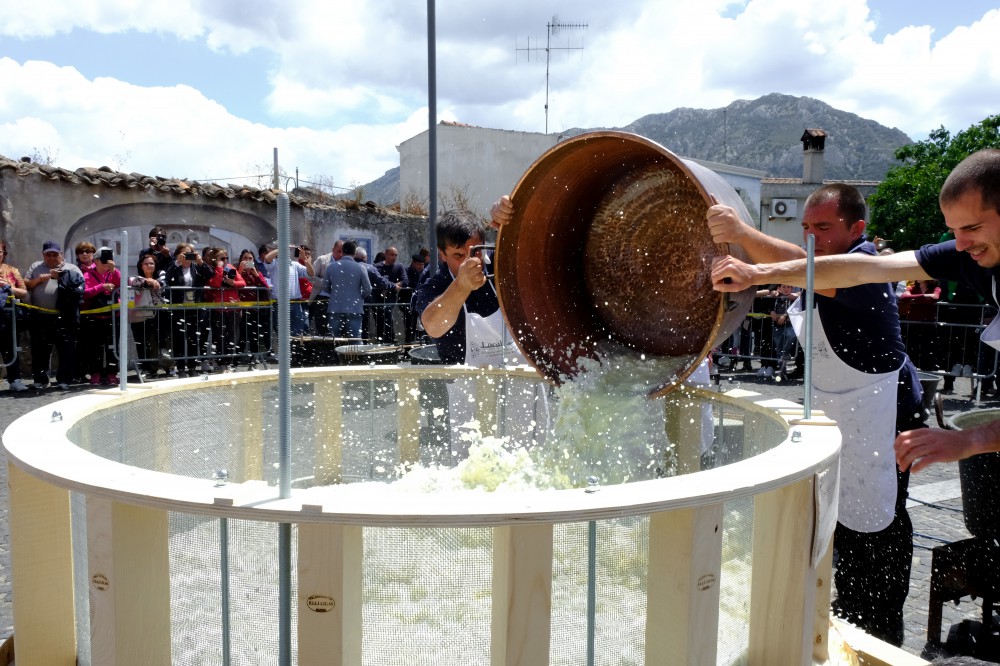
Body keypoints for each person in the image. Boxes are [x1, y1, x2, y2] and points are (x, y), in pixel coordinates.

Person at [708, 183, 925, 646]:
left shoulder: (864, 270)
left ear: (857, 229)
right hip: (843, 417)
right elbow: (804, 269)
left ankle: (880, 639)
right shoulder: (817, 269)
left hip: (883, 416)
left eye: (823, 228)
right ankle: (842, 625)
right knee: (839, 528)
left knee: (879, 531)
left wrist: (744, 234)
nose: (812, 237)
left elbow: (815, 270)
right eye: (806, 228)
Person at [712, 149, 1000, 476]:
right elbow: (859, 269)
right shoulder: (964, 254)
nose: (959, 244)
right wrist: (759, 273)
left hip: (885, 408)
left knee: (880, 521)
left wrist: (973, 440)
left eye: (971, 228)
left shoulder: (862, 272)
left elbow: (837, 271)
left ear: (856, 228)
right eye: (954, 230)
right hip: (845, 405)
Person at [24, 241, 84, 390]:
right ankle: (41, 380)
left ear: (61, 254)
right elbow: (26, 285)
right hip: (40, 315)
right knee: (40, 350)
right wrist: (38, 280)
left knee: (66, 349)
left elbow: (80, 289)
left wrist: (61, 278)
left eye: (55, 254)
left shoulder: (71, 268)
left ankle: (65, 380)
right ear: (43, 255)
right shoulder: (36, 267)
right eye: (48, 255)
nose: (51, 258)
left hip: (65, 316)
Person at [164, 243, 213, 377]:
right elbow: (167, 278)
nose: (187, 257)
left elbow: (210, 274)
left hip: (194, 307)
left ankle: (192, 367)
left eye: (190, 253)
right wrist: (177, 263)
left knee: (192, 338)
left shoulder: (196, 267)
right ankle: (180, 368)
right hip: (179, 307)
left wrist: (200, 261)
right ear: (179, 254)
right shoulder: (174, 266)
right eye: (184, 254)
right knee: (179, 338)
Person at [81, 247, 122, 385]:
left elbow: (121, 285)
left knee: (113, 347)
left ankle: (112, 373)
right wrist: (101, 287)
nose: (106, 262)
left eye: (109, 259)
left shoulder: (114, 273)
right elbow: (85, 293)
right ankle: (95, 373)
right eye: (103, 259)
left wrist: (114, 271)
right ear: (96, 261)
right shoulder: (87, 275)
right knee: (94, 347)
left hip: (113, 316)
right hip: (94, 316)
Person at [205, 248, 246, 370]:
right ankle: (219, 361)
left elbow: (242, 283)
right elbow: (216, 284)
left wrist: (232, 283)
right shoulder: (211, 269)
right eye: (222, 258)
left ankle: (228, 362)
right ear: (215, 259)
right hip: (218, 309)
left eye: (226, 258)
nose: (225, 260)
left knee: (231, 336)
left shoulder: (231, 267)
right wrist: (219, 268)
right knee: (219, 336)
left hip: (233, 308)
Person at [128, 253, 167, 380]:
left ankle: (160, 367)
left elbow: (163, 283)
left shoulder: (161, 275)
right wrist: (148, 281)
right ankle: (146, 368)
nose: (149, 265)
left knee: (156, 342)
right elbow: (135, 283)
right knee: (142, 343)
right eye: (146, 263)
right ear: (141, 265)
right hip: (139, 315)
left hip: (157, 314)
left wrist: (154, 281)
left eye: (151, 263)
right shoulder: (135, 278)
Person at [323, 240, 371, 339]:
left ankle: (333, 355)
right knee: (355, 339)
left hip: (335, 308)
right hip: (355, 308)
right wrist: (359, 296)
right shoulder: (360, 268)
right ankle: (355, 355)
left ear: (343, 251)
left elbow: (325, 287)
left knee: (333, 339)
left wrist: (335, 294)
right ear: (354, 253)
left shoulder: (331, 267)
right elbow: (368, 289)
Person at [0, 240, 28, 391]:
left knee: (10, 347)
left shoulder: (12, 270)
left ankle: (15, 379)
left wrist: (8, 287)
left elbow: (23, 292)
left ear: (3, 254)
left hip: (8, 315)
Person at [235, 248, 271, 363]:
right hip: (242, 308)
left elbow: (265, 287)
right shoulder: (236, 271)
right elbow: (234, 285)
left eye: (250, 258)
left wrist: (255, 274)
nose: (247, 260)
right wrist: (240, 271)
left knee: (255, 333)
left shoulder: (257, 273)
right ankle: (236, 358)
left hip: (255, 308)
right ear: (240, 260)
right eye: (245, 258)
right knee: (243, 334)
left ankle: (254, 356)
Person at [353, 246, 391, 340]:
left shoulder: (348, 267)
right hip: (367, 300)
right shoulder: (370, 268)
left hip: (350, 301)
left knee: (353, 326)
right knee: (365, 324)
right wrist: (394, 286)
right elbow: (382, 282)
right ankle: (365, 343)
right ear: (364, 257)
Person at [310, 240, 343, 336]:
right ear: (333, 250)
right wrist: (325, 283)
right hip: (323, 297)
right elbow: (311, 276)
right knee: (322, 325)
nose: (341, 254)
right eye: (338, 251)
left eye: (342, 251)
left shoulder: (345, 262)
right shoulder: (322, 260)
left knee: (336, 327)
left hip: (338, 299)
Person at [373, 246, 406, 342]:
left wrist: (393, 286)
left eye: (396, 255)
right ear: (386, 255)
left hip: (391, 296)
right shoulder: (377, 267)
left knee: (386, 311)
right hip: (378, 296)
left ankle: (390, 337)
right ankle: (380, 339)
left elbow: (405, 280)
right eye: (392, 255)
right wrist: (388, 286)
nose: (394, 257)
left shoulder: (399, 267)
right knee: (378, 317)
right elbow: (376, 280)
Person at [402, 253, 425, 343]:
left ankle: (420, 346)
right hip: (409, 304)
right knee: (410, 328)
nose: (421, 267)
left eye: (422, 264)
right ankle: (408, 349)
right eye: (419, 264)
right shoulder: (407, 271)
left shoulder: (423, 273)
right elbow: (408, 283)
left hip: (420, 304)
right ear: (413, 263)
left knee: (421, 329)